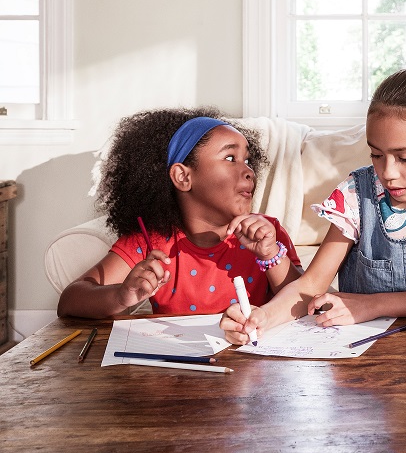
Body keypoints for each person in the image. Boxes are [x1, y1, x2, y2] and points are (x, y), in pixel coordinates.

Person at [221, 68, 406, 344]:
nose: (387, 172)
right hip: (366, 358)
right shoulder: (357, 193)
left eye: (404, 158)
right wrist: (262, 318)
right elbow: (310, 285)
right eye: (376, 154)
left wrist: (373, 305)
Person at [57, 108, 302, 318]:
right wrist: (122, 296)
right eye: (230, 157)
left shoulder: (268, 235)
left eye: (247, 160)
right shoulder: (151, 242)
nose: (249, 171)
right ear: (183, 177)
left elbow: (304, 302)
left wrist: (271, 255)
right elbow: (70, 300)